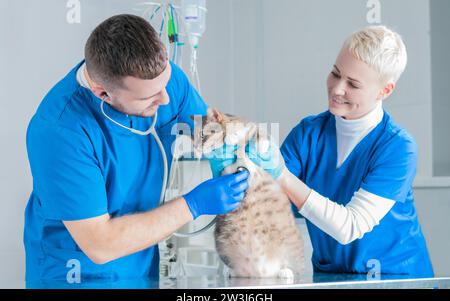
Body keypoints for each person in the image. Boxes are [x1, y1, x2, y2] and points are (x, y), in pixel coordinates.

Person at [24, 14, 249, 283]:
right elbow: (100, 244)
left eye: (165, 84)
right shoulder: (60, 131)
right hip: (76, 276)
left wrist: (232, 154)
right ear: (102, 93)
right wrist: (193, 204)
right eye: (149, 97)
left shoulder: (161, 81)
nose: (166, 98)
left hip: (141, 271)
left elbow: (209, 131)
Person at [276, 25, 433, 277]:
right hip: (332, 276)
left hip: (394, 278)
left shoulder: (398, 148)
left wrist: (280, 175)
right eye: (335, 73)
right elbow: (270, 198)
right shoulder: (308, 134)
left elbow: (350, 226)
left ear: (385, 90)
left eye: (353, 84)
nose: (337, 89)